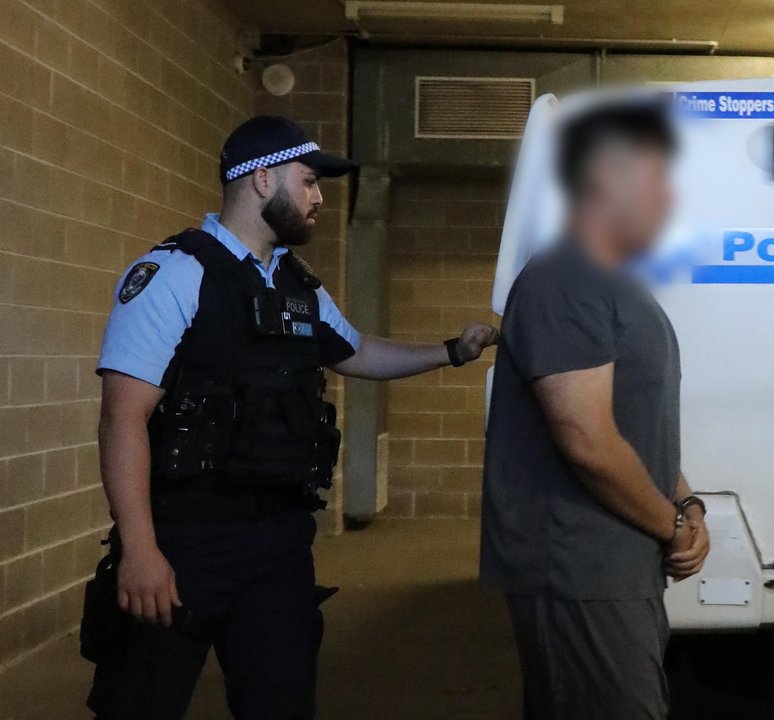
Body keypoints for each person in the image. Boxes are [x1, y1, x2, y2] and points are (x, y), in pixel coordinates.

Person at [85, 115, 498, 720]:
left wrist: (451, 352)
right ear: (262, 180)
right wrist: (141, 550)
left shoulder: (297, 286)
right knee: (143, 704)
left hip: (278, 542)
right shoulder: (173, 275)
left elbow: (354, 351)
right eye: (309, 181)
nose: (319, 197)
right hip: (183, 539)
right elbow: (122, 419)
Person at [480, 99, 710, 720]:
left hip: (620, 567)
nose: (668, 198)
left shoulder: (616, 284)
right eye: (656, 180)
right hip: (578, 570)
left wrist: (687, 503)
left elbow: (632, 427)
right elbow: (586, 438)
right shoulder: (565, 279)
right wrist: (670, 525)